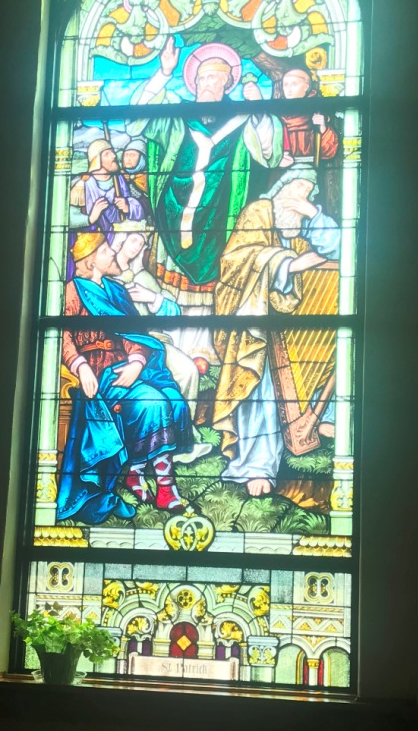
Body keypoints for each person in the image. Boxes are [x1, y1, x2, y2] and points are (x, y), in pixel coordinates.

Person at [128, 38, 283, 358]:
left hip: (220, 214)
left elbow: (269, 152)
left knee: (212, 281)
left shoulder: (243, 120)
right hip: (173, 210)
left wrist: (258, 108)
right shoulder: (176, 116)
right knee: (172, 282)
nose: (206, 84)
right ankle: (168, 345)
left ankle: (205, 350)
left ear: (228, 82)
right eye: (201, 78)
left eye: (214, 78)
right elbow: (135, 120)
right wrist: (163, 73)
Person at [212, 166, 339, 497]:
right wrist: (289, 264)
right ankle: (255, 466)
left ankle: (321, 419)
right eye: (298, 187)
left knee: (324, 355)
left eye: (309, 191)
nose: (303, 195)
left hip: (287, 321)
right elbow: (236, 260)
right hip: (252, 318)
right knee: (260, 388)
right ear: (282, 187)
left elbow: (340, 246)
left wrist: (312, 213)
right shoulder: (259, 211)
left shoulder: (300, 222)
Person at [57, 232, 192, 524]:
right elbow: (64, 336)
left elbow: (134, 334)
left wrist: (136, 361)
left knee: (173, 399)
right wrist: (80, 366)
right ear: (91, 261)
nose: (112, 254)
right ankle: (165, 486)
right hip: (99, 373)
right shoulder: (73, 291)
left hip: (127, 368)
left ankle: (136, 472)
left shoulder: (116, 291)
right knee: (153, 402)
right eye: (106, 250)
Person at [113, 224, 212, 463]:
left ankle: (182, 439)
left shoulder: (143, 277)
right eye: (133, 240)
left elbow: (173, 311)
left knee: (187, 370)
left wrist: (153, 298)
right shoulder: (106, 276)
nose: (137, 247)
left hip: (155, 343)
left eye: (141, 243)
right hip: (122, 346)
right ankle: (152, 446)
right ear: (121, 240)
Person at [69, 138, 144, 233]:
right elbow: (68, 218)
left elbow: (141, 209)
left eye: (112, 152)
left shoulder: (120, 179)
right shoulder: (82, 184)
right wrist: (90, 218)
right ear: (97, 160)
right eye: (107, 154)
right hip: (93, 236)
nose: (114, 156)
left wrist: (128, 206)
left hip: (121, 232)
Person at [280, 68, 338, 168]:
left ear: (306, 87)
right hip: (280, 172)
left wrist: (323, 128)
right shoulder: (277, 115)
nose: (289, 89)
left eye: (294, 84)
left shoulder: (316, 111)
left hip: (309, 169)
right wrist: (277, 159)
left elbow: (328, 152)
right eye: (285, 85)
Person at [119, 137, 151, 219]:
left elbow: (151, 204)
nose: (128, 159)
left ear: (142, 159)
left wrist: (130, 207)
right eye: (126, 155)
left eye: (132, 155)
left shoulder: (149, 178)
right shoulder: (118, 177)